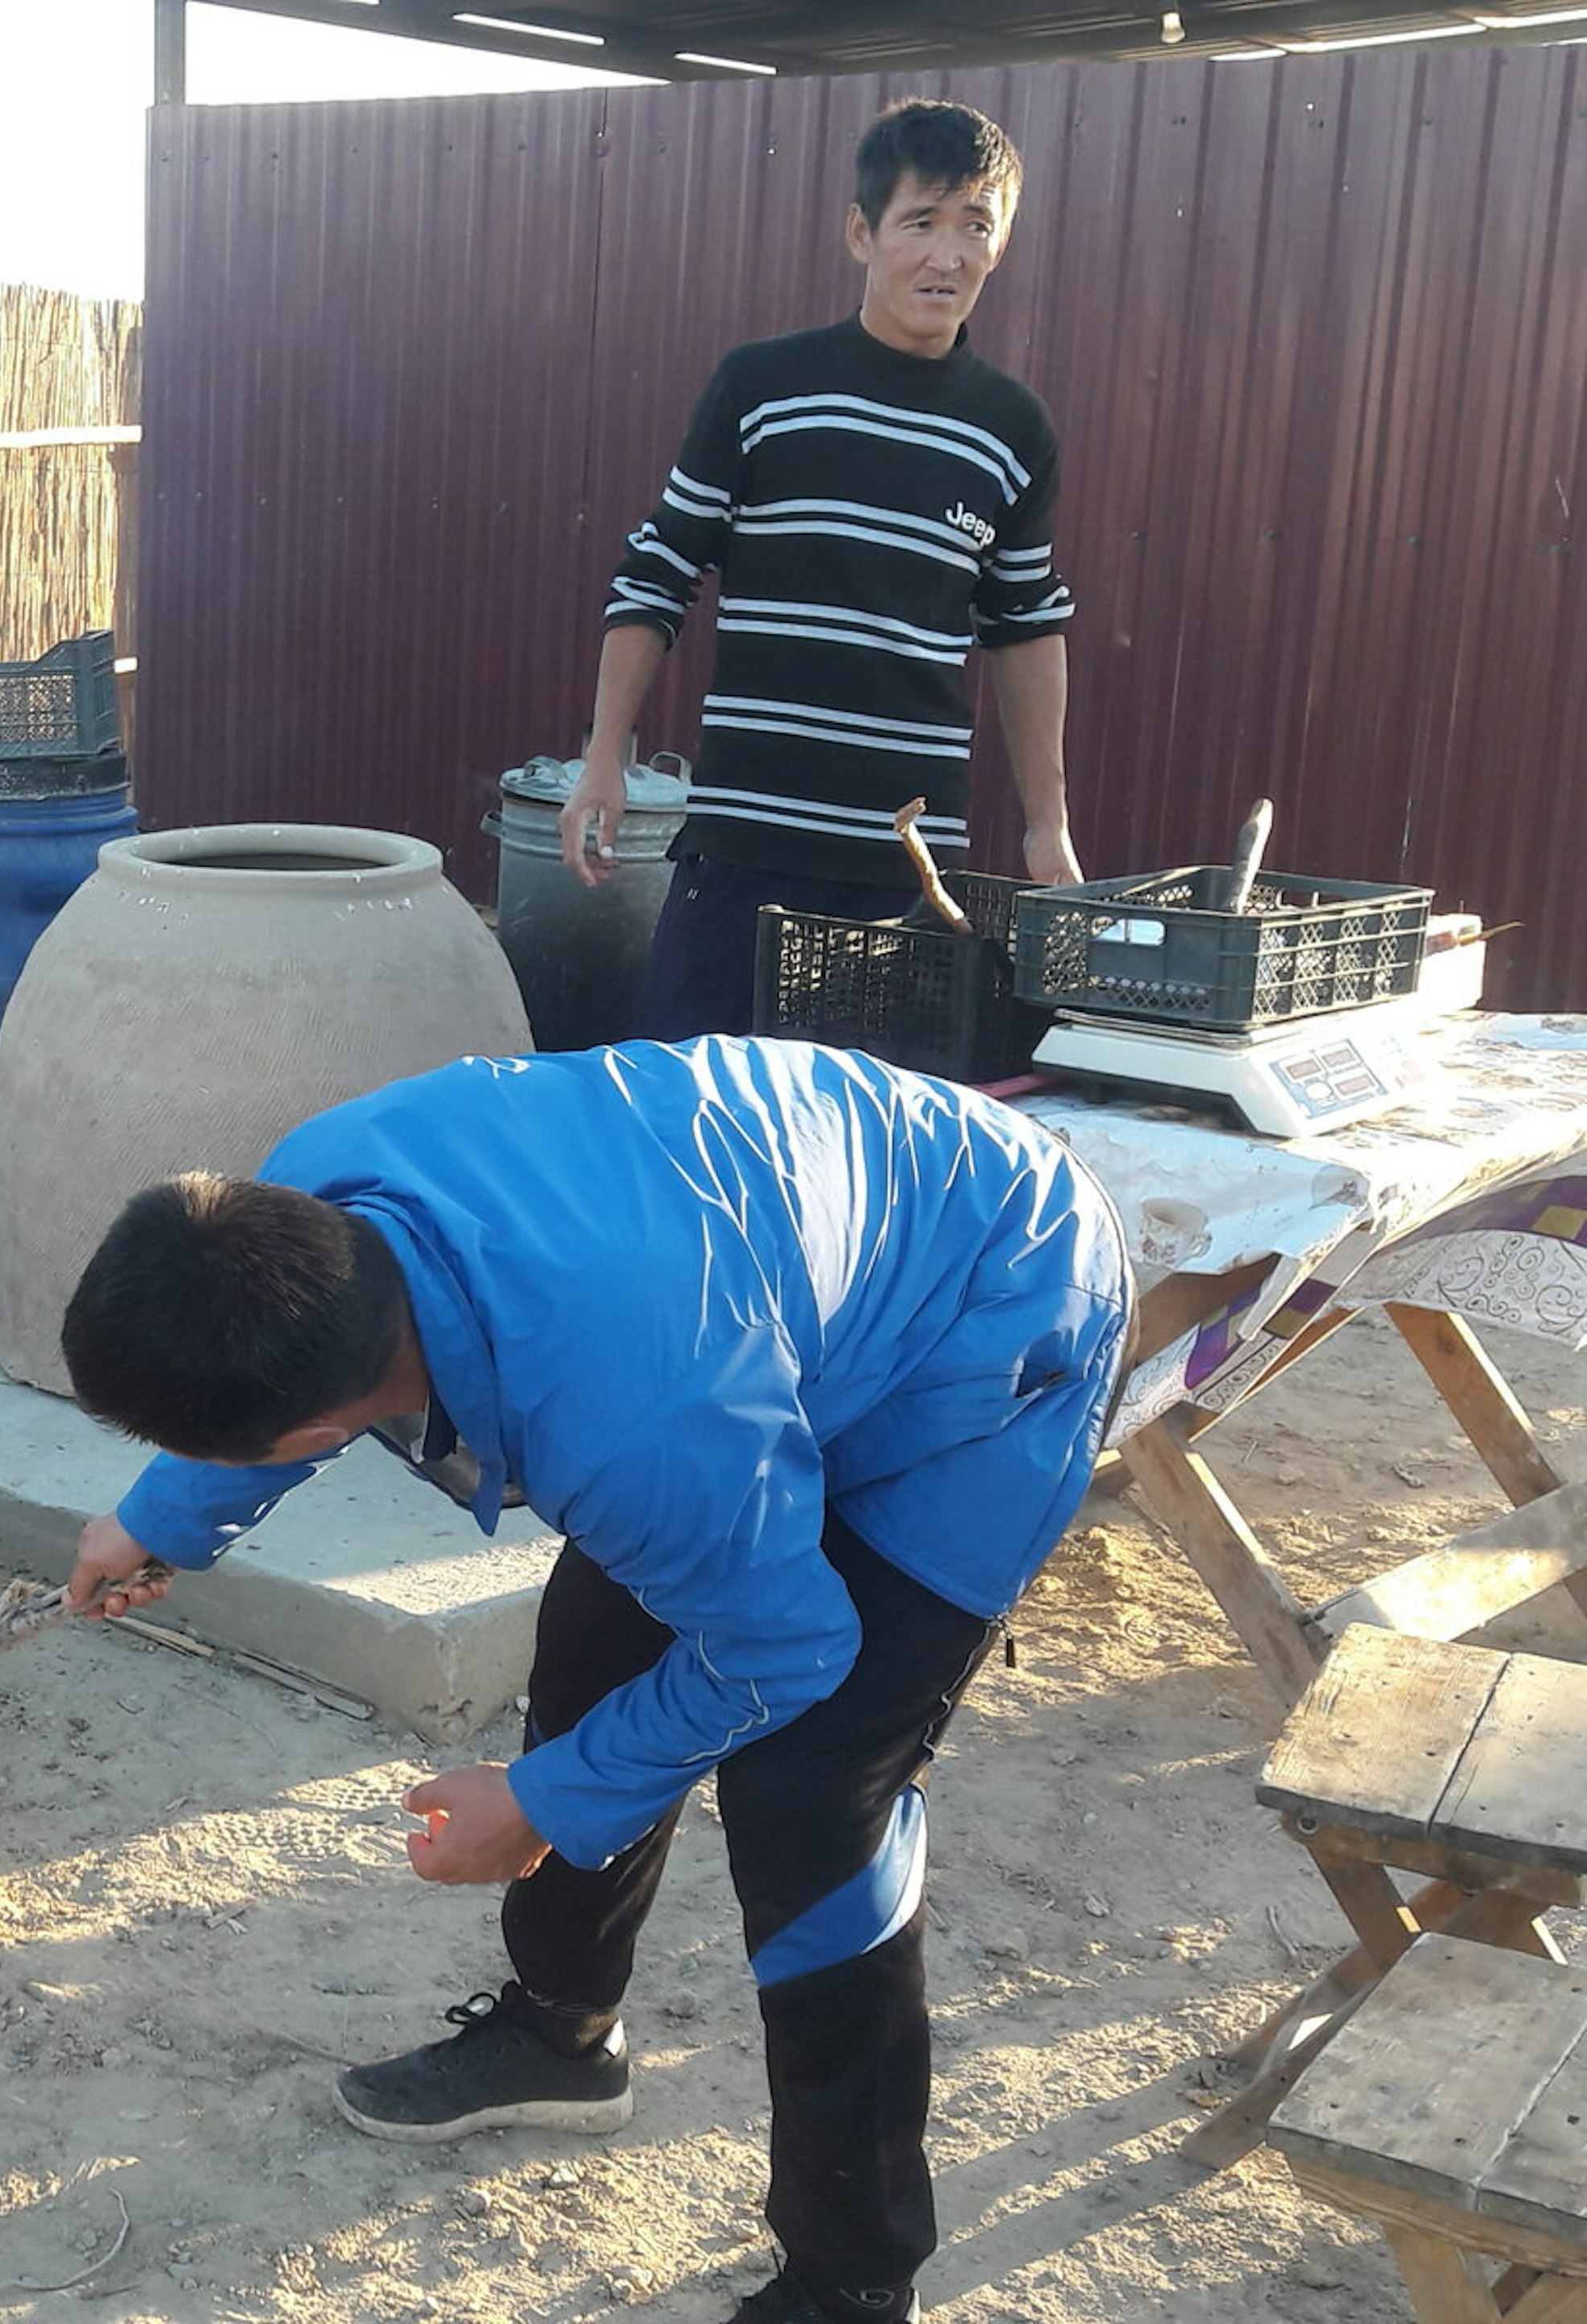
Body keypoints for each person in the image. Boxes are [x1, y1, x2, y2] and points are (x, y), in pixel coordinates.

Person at [57, 1040, 1130, 2324]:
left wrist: (547, 1802)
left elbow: (786, 1649)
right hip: (758, 1279)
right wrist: (168, 1511)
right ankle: (560, 2034)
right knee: (594, 1654)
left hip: (994, 1302)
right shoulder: (311, 1199)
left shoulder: (635, 1421)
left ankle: (853, 2275)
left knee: (814, 1796)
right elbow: (299, 1367)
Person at [560, 98, 1081, 1042]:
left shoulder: (1013, 430)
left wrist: (1048, 822)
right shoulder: (763, 389)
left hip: (907, 863)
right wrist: (606, 756)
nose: (947, 256)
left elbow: (1026, 626)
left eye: (976, 227)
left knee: (868, 1130)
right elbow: (658, 570)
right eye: (920, 223)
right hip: (745, 840)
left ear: (1000, 247)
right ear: (862, 233)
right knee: (684, 1102)